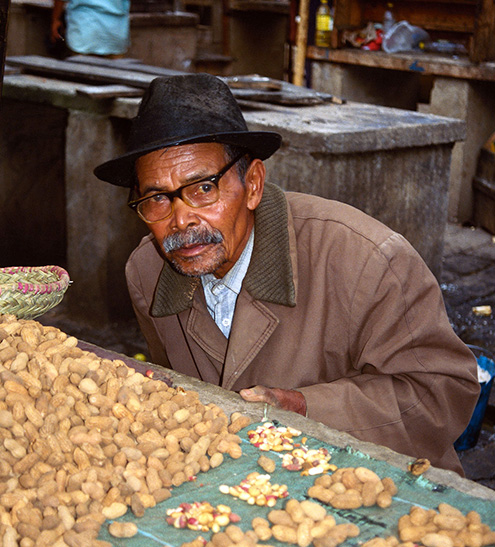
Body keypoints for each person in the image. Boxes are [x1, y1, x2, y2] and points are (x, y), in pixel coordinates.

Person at [94, 73, 480, 475]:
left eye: (203, 188)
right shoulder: (147, 271)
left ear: (254, 185)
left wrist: (303, 409)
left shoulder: (366, 260)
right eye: (157, 198)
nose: (181, 219)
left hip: (374, 484)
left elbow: (443, 394)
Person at [50, 0, 130, 58]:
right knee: (115, 76)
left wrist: (56, 19)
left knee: (81, 75)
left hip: (84, 30)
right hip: (115, 31)